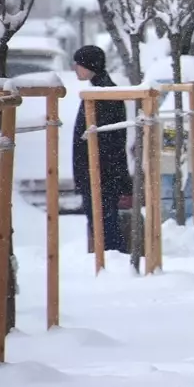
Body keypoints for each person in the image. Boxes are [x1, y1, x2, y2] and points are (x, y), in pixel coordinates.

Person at [71, 45, 132, 254]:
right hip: (99, 173)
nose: (75, 68)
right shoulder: (98, 91)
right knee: (103, 224)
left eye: (78, 63)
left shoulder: (103, 94)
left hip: (101, 174)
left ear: (90, 66)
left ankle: (112, 263)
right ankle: (110, 259)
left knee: (104, 225)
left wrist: (100, 175)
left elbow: (110, 142)